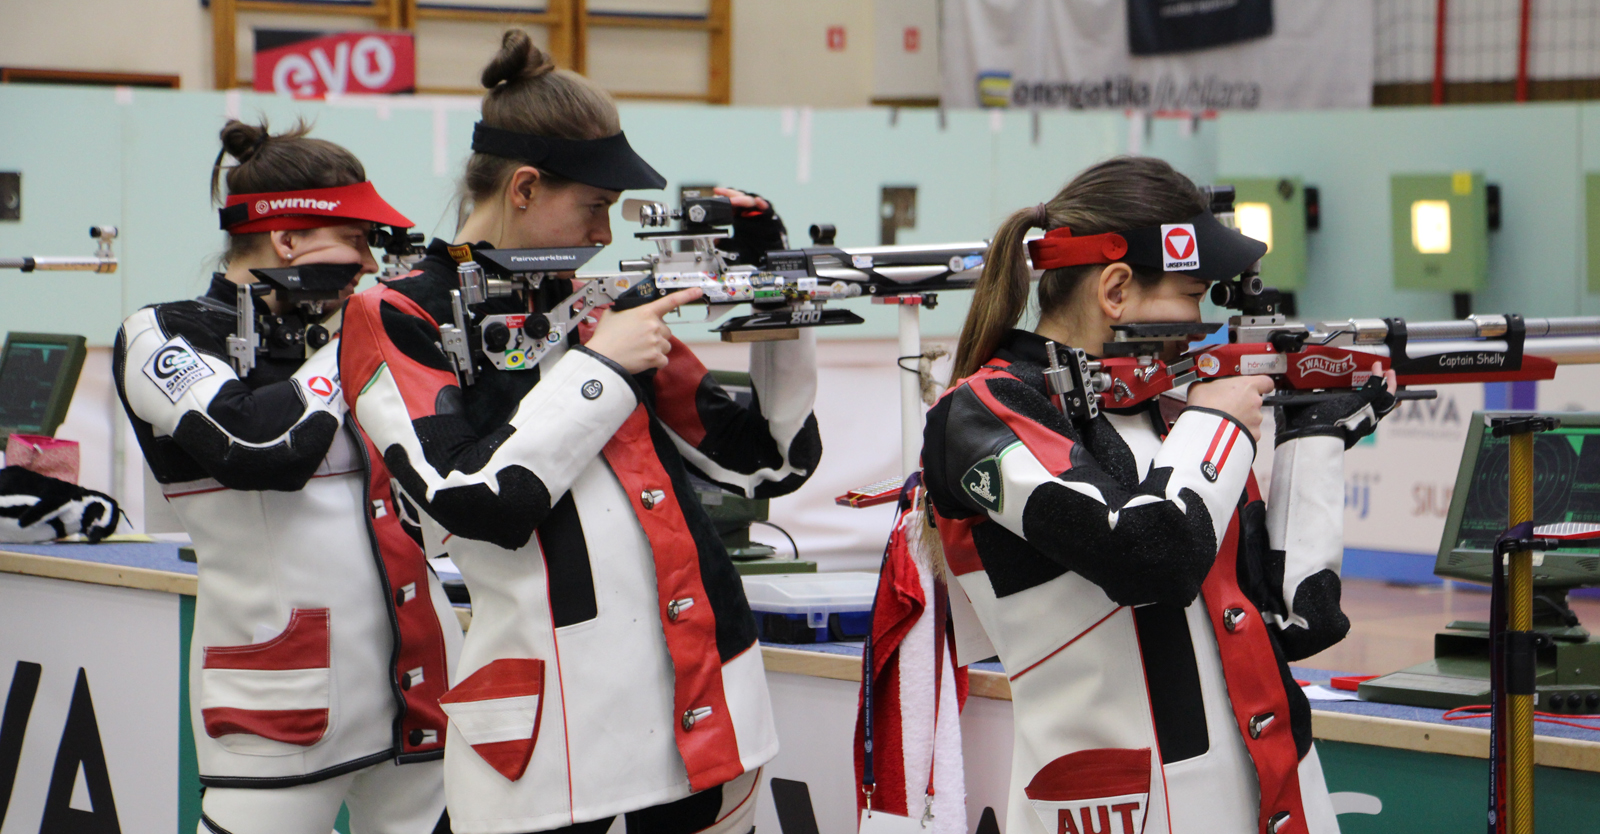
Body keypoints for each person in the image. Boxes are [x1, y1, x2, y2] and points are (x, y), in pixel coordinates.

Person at [337, 31, 820, 834]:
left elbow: (766, 463)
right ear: (525, 187)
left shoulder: (594, 304)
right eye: (595, 206)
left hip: (700, 700)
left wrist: (776, 301)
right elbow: (473, 498)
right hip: (548, 734)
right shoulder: (395, 312)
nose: (605, 233)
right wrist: (598, 368)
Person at [919, 157, 1395, 834]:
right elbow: (1151, 558)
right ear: (1115, 289)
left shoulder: (1169, 414)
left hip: (1277, 794)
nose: (1202, 322)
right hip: (1120, 811)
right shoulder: (984, 413)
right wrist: (1220, 423)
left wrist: (1315, 438)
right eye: (1193, 293)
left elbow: (1299, 621)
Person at [114, 119, 462, 834]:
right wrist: (361, 337)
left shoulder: (341, 332)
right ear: (287, 240)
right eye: (358, 239)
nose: (371, 262)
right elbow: (262, 445)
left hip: (424, 691)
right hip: (283, 711)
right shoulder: (165, 331)